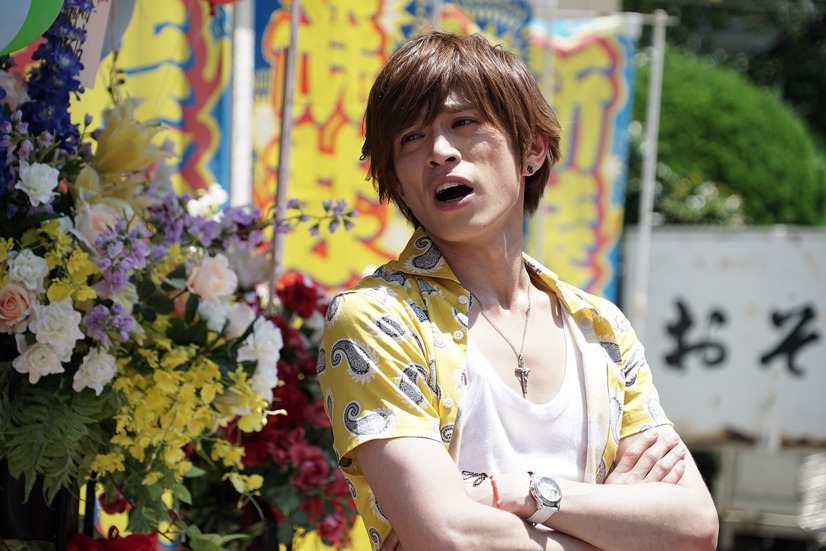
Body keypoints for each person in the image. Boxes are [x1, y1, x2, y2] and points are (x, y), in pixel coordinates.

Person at [318, 31, 718, 551]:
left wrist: (528, 492)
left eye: (463, 122)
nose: (439, 152)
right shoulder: (378, 318)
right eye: (410, 138)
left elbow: (694, 527)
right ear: (396, 179)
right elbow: (450, 537)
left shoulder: (600, 327)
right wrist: (613, 527)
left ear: (531, 149)